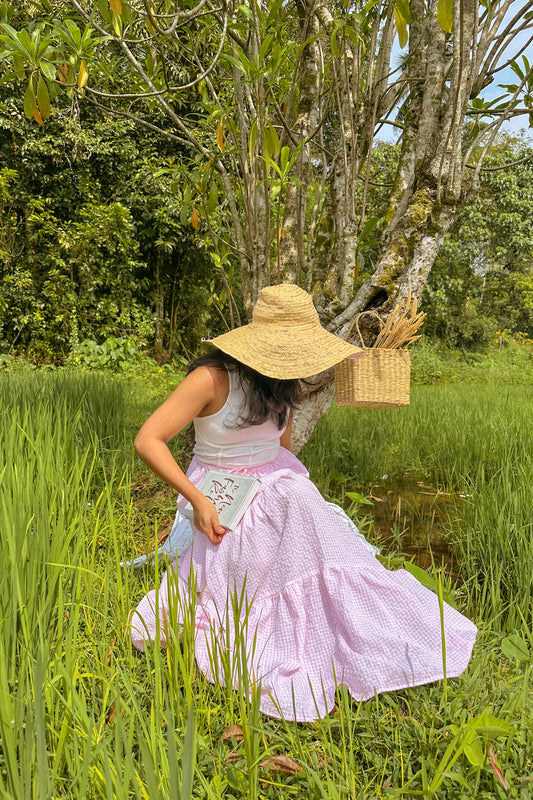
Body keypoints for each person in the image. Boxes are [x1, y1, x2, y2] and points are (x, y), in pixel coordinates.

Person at [130, 283, 477, 722]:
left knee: (310, 526)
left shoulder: (280, 387)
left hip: (280, 484)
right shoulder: (211, 379)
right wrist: (196, 500)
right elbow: (149, 440)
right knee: (276, 532)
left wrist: (287, 498)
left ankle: (344, 628)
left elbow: (283, 449)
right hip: (220, 491)